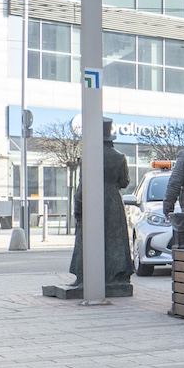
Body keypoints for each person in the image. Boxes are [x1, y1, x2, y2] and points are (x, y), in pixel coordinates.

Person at [69, 119, 133, 289]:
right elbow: (125, 181)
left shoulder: (89, 156)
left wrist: (78, 205)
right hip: (112, 200)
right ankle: (115, 277)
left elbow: (82, 184)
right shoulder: (119, 157)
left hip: (91, 197)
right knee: (116, 239)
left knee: (85, 238)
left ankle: (83, 277)